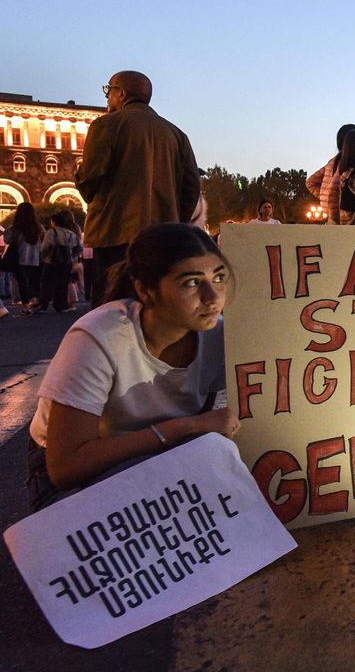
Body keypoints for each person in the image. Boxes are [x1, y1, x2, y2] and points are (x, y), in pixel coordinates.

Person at [26, 223, 238, 511]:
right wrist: (185, 427)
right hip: (77, 466)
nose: (213, 297)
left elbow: (208, 424)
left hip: (164, 453)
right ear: (146, 291)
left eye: (219, 277)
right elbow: (66, 467)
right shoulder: (100, 336)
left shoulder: (218, 335)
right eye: (191, 282)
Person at [77, 71, 202, 306]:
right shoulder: (176, 134)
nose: (107, 98)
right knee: (154, 306)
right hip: (162, 238)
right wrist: (174, 221)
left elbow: (89, 179)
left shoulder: (106, 125)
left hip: (114, 235)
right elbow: (192, 188)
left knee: (112, 310)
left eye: (108, 91)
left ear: (121, 94)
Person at [306, 123, 355, 225]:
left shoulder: (332, 162)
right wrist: (329, 198)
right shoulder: (350, 162)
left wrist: (324, 197)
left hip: (331, 217)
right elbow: (311, 182)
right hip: (344, 216)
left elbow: (311, 182)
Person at [37, 210, 82, 313]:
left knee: (47, 283)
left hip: (51, 261)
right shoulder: (71, 234)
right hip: (66, 262)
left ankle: (43, 305)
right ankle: (61, 305)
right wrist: (72, 256)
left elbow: (44, 247)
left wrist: (44, 257)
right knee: (62, 284)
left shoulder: (52, 232)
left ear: (54, 221)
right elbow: (79, 248)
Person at [8, 202, 43, 315]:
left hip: (20, 258)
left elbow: (7, 239)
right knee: (33, 281)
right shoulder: (38, 227)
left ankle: (26, 306)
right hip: (35, 258)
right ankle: (35, 301)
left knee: (22, 283)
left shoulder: (15, 228)